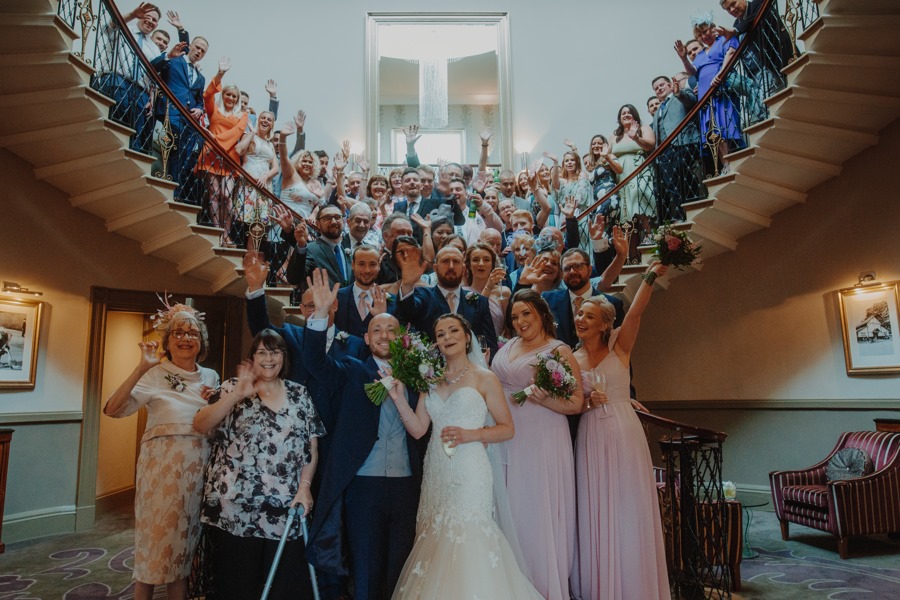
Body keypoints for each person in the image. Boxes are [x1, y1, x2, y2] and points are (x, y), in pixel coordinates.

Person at [386, 314, 542, 599]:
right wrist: (397, 398)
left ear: (466, 336)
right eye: (441, 334)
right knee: (436, 536)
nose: (447, 337)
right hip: (436, 468)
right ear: (436, 342)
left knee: (468, 534)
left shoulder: (485, 378)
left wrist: (472, 435)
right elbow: (420, 430)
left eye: (453, 331)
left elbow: (507, 429)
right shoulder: (429, 378)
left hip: (470, 469)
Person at [303, 270, 425, 600]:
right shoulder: (351, 371)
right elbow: (315, 361)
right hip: (363, 485)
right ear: (367, 339)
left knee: (400, 568)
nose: (384, 334)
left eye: (391, 329)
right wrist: (319, 314)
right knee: (365, 568)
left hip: (405, 485)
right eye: (376, 329)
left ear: (402, 338)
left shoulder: (417, 378)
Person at [193, 330, 323, 600]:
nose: (269, 358)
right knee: (237, 585)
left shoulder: (299, 394)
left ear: (283, 357)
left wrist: (305, 488)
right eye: (262, 352)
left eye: (275, 351)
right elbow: (200, 424)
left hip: (285, 509)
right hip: (236, 510)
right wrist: (236, 395)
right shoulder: (231, 386)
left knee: (283, 587)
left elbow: (311, 448)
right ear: (252, 358)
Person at [103, 303, 218, 600]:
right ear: (167, 341)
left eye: (193, 332)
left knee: (181, 552)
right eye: (178, 332)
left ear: (201, 341)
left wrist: (216, 403)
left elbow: (217, 428)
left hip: (196, 474)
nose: (186, 337)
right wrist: (141, 366)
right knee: (153, 549)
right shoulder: (154, 374)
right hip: (160, 473)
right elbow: (113, 409)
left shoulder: (212, 378)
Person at [570, 261, 670, 600]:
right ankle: (601, 585)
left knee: (627, 503)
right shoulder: (570, 358)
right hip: (589, 434)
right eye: (579, 315)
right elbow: (570, 404)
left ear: (604, 324)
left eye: (588, 316)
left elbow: (637, 313)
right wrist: (587, 404)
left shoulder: (619, 347)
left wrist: (651, 276)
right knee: (595, 504)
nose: (580, 320)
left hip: (624, 431)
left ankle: (632, 584)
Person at [490, 289, 583, 600]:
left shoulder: (559, 350)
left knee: (536, 508)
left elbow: (575, 403)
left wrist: (545, 399)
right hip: (506, 437)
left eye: (526, 314)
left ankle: (542, 587)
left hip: (542, 438)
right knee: (510, 507)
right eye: (515, 317)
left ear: (542, 314)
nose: (520, 321)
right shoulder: (508, 346)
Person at [396, 244, 499, 358]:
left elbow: (490, 344)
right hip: (431, 372)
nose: (451, 266)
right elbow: (406, 313)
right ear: (435, 268)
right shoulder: (423, 295)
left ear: (464, 268)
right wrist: (407, 285)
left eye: (456, 261)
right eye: (445, 261)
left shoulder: (479, 301)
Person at [150, 37, 208, 201]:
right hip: (169, 114)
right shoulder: (174, 60)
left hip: (187, 123)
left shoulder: (201, 78)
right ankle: (159, 187)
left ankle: (174, 193)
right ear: (190, 47)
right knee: (162, 151)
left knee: (180, 159)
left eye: (203, 51)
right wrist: (168, 56)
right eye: (197, 47)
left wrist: (200, 108)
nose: (199, 52)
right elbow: (153, 68)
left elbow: (199, 100)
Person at [650, 73, 703, 223]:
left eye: (662, 85)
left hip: (684, 142)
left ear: (669, 85)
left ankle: (694, 203)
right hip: (665, 151)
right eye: (656, 88)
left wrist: (678, 93)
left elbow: (692, 101)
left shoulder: (679, 95)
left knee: (681, 172)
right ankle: (681, 213)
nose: (659, 89)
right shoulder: (658, 110)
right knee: (671, 183)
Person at [611, 104, 657, 261]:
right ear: (619, 118)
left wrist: (636, 137)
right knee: (626, 212)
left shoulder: (643, 128)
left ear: (635, 115)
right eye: (623, 113)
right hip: (621, 176)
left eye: (629, 112)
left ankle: (649, 236)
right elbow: (608, 155)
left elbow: (651, 145)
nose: (626, 115)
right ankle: (632, 254)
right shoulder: (614, 136)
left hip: (639, 171)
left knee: (641, 202)